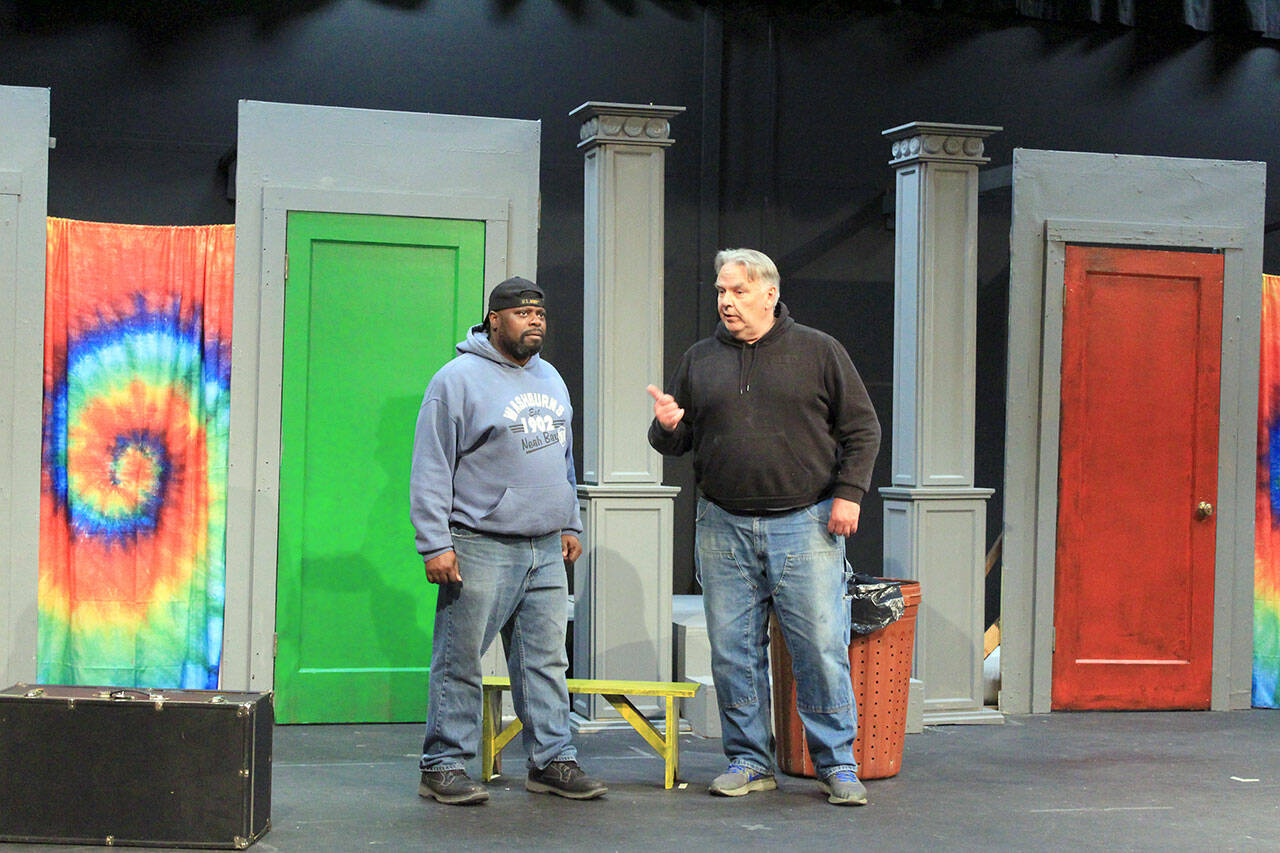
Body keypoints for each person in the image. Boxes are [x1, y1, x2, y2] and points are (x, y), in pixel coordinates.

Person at [646, 248, 881, 806]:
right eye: (721, 291)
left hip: (806, 522)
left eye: (738, 291)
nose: (726, 302)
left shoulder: (819, 351)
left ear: (769, 293)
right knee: (732, 652)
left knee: (820, 648)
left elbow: (862, 429)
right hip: (723, 524)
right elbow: (678, 443)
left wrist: (848, 495)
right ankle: (749, 761)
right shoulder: (701, 358)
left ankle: (837, 764)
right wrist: (665, 428)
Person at [410, 276, 607, 805]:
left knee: (545, 660)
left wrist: (570, 522)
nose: (534, 321)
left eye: (539, 313)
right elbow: (432, 465)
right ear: (495, 320)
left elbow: (562, 457)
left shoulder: (551, 377)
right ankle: (443, 764)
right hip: (480, 542)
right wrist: (434, 542)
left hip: (544, 546)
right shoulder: (456, 380)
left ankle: (552, 760)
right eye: (522, 313)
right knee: (460, 658)